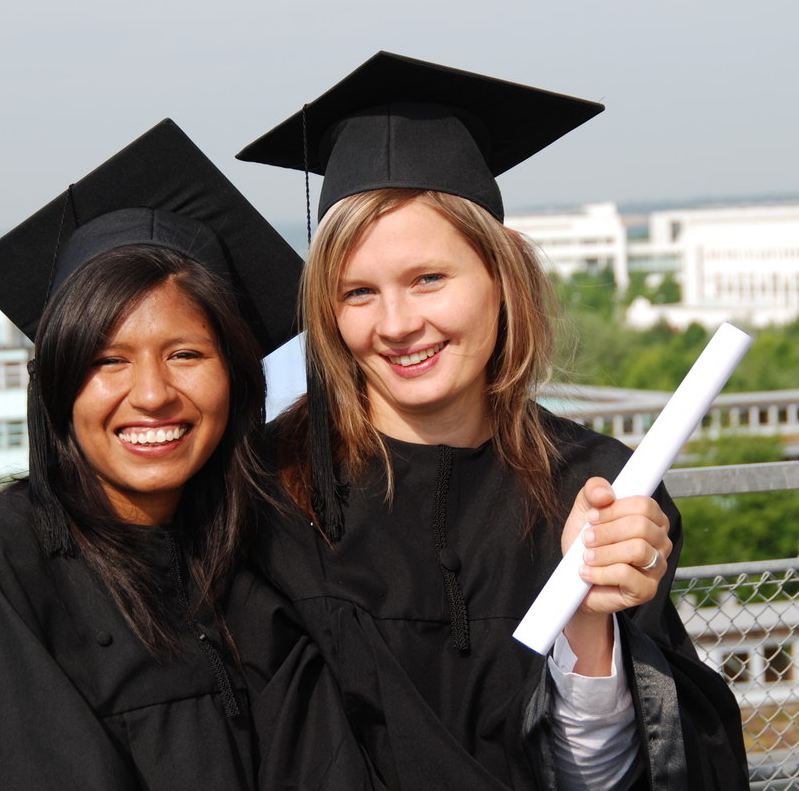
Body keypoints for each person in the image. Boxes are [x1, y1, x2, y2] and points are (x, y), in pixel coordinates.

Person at [235, 53, 750, 790]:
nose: (397, 324)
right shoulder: (269, 495)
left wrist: (588, 616)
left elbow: (613, 779)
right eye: (357, 292)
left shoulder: (598, 487)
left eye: (428, 279)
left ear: (501, 279)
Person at [0, 118, 342, 790]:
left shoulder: (251, 555)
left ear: (237, 376)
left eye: (186, 354)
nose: (153, 393)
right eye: (108, 359)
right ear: (59, 382)